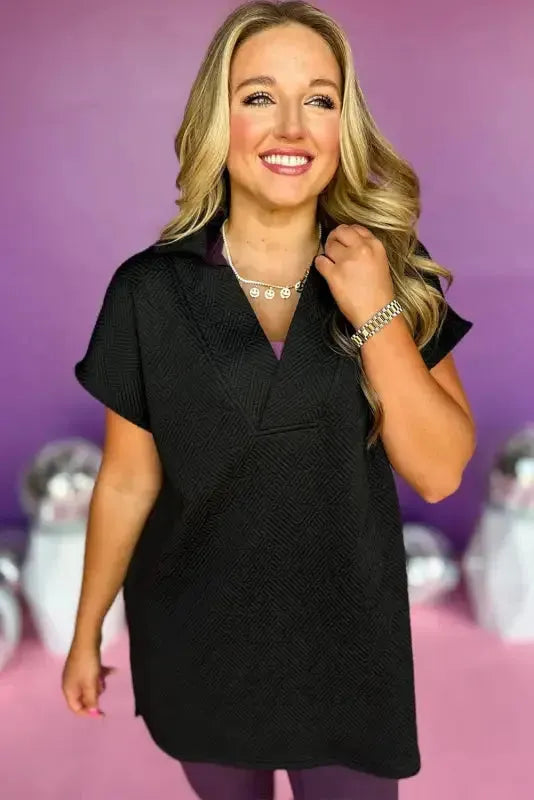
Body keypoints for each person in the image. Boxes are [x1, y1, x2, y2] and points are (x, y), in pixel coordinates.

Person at [62, 2, 476, 798]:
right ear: (218, 119)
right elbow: (127, 481)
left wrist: (376, 311)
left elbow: (439, 473)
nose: (292, 126)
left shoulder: (391, 268)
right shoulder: (148, 292)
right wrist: (87, 632)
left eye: (319, 99)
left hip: (347, 654)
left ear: (343, 125)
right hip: (196, 642)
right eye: (260, 96)